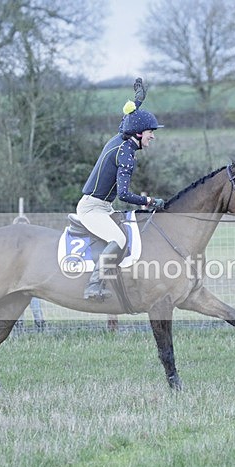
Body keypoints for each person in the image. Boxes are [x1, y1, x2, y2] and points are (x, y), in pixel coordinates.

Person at [76, 78, 165, 300]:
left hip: (102, 206)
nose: (153, 136)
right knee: (120, 240)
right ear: (138, 133)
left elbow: (126, 120)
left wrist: (137, 102)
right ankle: (93, 285)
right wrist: (149, 201)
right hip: (92, 209)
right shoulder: (126, 155)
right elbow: (124, 194)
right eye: (150, 132)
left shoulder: (120, 138)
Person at [12, 215, 46, 331]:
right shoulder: (13, 245)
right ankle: (19, 328)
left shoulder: (34, 244)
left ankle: (40, 326)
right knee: (17, 307)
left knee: (35, 306)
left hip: (32, 282)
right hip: (17, 283)